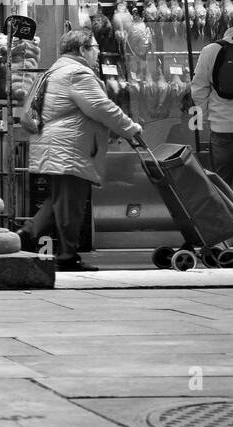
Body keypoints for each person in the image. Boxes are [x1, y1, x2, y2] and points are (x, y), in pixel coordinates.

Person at [19, 30, 142, 272]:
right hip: (70, 147)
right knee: (70, 204)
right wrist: (131, 128)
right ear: (82, 49)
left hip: (57, 145)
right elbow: (102, 107)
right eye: (94, 47)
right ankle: (66, 255)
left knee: (58, 201)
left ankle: (27, 235)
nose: (97, 52)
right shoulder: (77, 73)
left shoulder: (55, 70)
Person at [191, 5, 233, 196]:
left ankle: (227, 223)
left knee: (222, 183)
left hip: (222, 126)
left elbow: (198, 89)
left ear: (231, 23)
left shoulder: (211, 50)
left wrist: (206, 118)